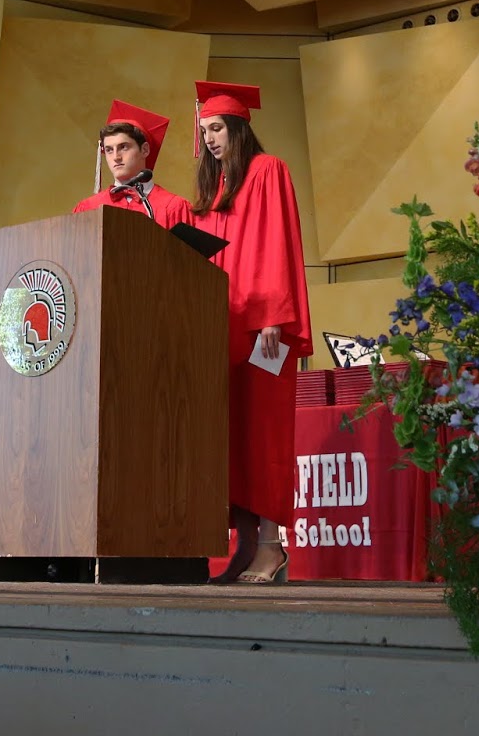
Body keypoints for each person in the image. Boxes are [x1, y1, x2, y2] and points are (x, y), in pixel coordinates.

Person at [191, 80, 312, 585]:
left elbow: (276, 244)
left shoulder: (268, 170)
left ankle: (271, 545)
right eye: (204, 132)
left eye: (217, 128)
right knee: (230, 438)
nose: (210, 140)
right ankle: (243, 544)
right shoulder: (216, 189)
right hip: (225, 329)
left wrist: (272, 315)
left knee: (262, 435)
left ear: (239, 128)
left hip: (264, 329)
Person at [73, 100, 195, 227]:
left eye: (124, 147)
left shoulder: (174, 208)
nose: (116, 157)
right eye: (109, 150)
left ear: (144, 150)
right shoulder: (88, 208)